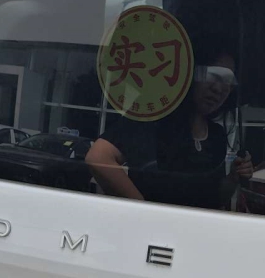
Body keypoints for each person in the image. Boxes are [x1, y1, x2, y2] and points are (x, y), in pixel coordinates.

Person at [86, 51, 254, 210]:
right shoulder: (153, 122)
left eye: (228, 82)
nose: (218, 89)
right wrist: (144, 210)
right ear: (187, 75)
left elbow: (214, 199)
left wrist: (233, 178)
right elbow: (98, 157)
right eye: (212, 76)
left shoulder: (217, 135)